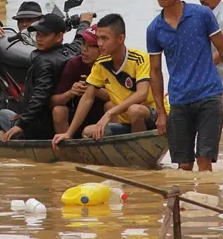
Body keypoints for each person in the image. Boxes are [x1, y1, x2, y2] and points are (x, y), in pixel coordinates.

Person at [145, 0, 223, 172]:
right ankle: (184, 205)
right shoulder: (154, 29)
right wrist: (161, 112)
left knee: (204, 161)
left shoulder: (201, 15)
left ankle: (208, 200)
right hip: (179, 100)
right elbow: (154, 71)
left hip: (208, 95)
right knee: (183, 165)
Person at [53, 14, 167, 145]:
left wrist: (110, 113)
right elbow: (87, 98)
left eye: (105, 38)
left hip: (152, 116)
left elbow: (142, 94)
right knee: (88, 131)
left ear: (120, 38)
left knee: (134, 110)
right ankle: (128, 151)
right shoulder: (101, 63)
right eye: (98, 38)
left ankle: (141, 148)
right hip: (125, 121)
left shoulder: (140, 58)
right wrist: (69, 133)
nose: (100, 43)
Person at [0, 12, 93, 141]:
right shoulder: (70, 52)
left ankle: (7, 146)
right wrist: (85, 23)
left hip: (38, 125)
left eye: (45, 35)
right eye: (38, 34)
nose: (39, 38)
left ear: (59, 36)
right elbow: (79, 40)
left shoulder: (44, 61)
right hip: (54, 118)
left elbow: (40, 96)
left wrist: (22, 124)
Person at [49, 24, 107, 136]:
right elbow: (52, 103)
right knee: (59, 110)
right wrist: (70, 93)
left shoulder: (109, 64)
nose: (84, 50)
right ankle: (66, 149)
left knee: (110, 105)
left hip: (103, 120)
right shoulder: (74, 64)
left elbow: (118, 98)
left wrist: (92, 88)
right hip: (76, 121)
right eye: (83, 44)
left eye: (90, 46)